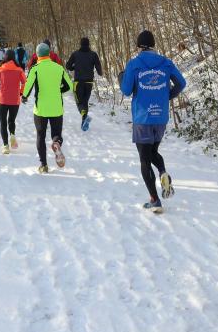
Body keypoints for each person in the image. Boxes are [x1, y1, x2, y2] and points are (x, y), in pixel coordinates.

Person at [119, 30, 185, 213]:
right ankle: (163, 172)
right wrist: (167, 96)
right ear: (153, 45)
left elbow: (126, 90)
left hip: (143, 118)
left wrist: (121, 77)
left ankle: (155, 200)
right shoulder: (166, 62)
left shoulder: (134, 64)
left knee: (145, 159)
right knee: (153, 152)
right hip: (161, 117)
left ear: (139, 46)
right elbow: (181, 83)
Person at [22, 42, 74, 173]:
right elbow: (69, 86)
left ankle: (43, 165)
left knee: (40, 135)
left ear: (37, 55)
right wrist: (59, 91)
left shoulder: (35, 68)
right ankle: (57, 143)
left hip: (41, 109)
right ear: (49, 54)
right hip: (56, 107)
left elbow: (28, 86)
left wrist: (24, 97)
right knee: (56, 134)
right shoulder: (59, 68)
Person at [0, 50, 26, 154]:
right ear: (14, 58)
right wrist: (21, 92)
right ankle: (12, 135)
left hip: (2, 100)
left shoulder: (1, 69)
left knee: (3, 123)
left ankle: (5, 146)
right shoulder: (19, 70)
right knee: (12, 121)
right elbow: (25, 83)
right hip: (15, 100)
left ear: (5, 57)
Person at [66, 37, 103, 131]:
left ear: (81, 44)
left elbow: (68, 66)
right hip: (89, 82)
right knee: (85, 101)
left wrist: (74, 67)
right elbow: (99, 68)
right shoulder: (94, 54)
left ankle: (84, 116)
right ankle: (84, 121)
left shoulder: (75, 54)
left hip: (78, 82)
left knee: (79, 102)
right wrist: (100, 73)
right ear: (89, 44)